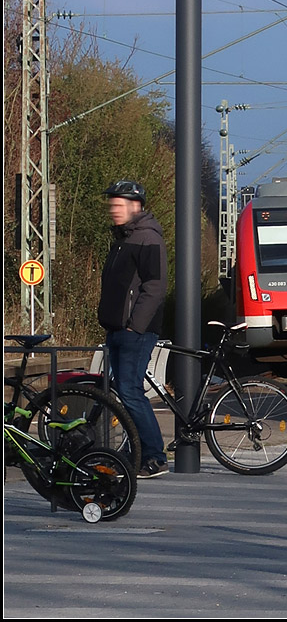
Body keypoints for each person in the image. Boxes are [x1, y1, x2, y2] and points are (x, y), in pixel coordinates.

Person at [98, 179, 169, 478]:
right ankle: (137, 452)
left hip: (134, 332)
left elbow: (155, 287)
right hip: (118, 329)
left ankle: (155, 456)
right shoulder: (124, 237)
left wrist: (133, 327)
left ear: (135, 206)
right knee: (124, 392)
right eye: (112, 204)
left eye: (119, 205)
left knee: (130, 392)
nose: (114, 210)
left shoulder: (148, 238)